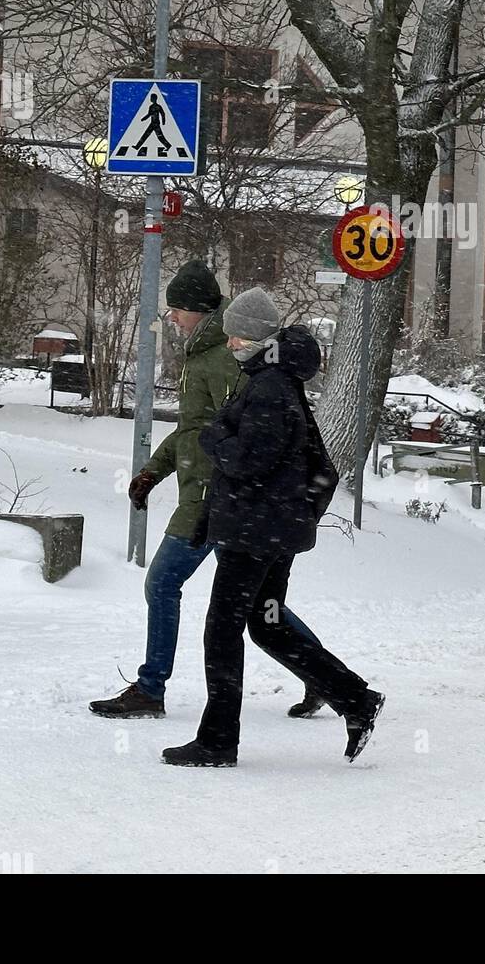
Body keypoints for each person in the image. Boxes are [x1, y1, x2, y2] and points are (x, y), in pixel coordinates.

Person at [90, 266, 324, 720]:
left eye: (177, 309)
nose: (172, 318)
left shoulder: (224, 358)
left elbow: (235, 435)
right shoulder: (204, 354)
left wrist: (216, 485)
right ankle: (321, 676)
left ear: (198, 310)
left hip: (212, 498)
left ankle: (150, 689)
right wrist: (153, 471)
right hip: (210, 494)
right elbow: (193, 429)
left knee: (162, 583)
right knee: (260, 607)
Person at [162, 287, 383, 768]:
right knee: (267, 624)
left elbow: (249, 459)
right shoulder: (277, 378)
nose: (232, 344)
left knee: (222, 632)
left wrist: (213, 436)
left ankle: (218, 741)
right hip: (272, 528)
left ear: (255, 336)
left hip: (254, 531)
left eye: (237, 336)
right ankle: (355, 698)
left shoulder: (269, 386)